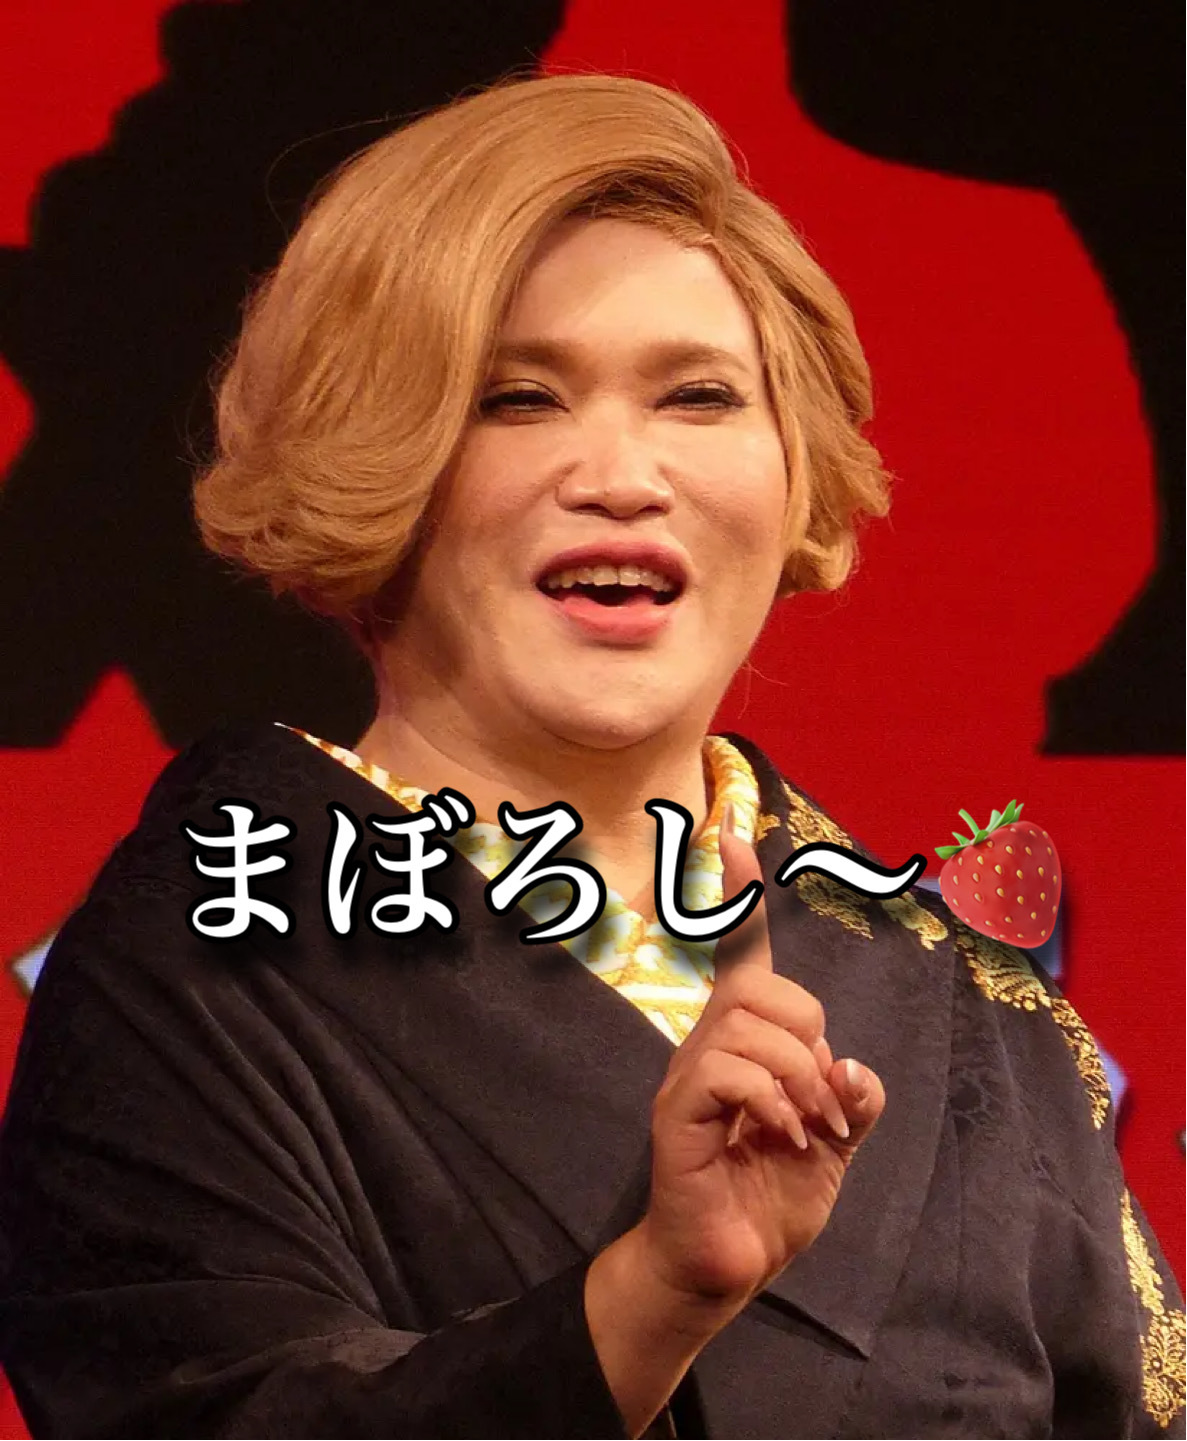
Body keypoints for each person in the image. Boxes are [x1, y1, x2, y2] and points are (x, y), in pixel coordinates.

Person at [0, 74, 1182, 1440]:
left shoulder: (956, 985)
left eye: (699, 396)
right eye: (518, 399)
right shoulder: (197, 963)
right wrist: (647, 1300)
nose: (622, 476)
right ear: (369, 460)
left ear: (793, 468)